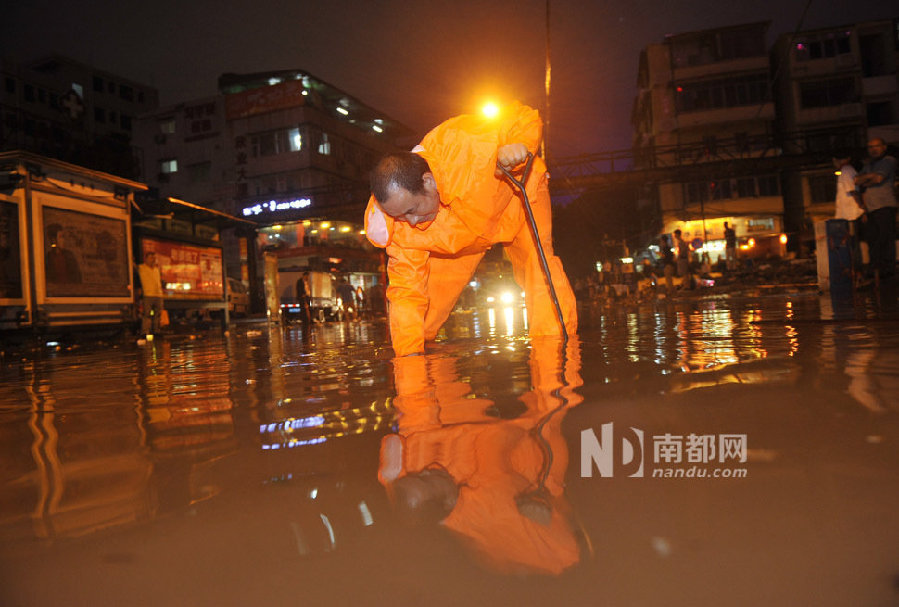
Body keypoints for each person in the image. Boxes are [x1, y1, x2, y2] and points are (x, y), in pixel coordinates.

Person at [364, 101, 577, 356]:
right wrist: (408, 359)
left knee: (539, 271)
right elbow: (406, 294)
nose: (409, 222)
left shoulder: (462, 142)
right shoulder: (402, 226)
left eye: (411, 210)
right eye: (398, 216)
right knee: (420, 330)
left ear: (428, 182)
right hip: (459, 238)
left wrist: (518, 145)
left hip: (516, 201)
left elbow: (523, 116)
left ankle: (556, 356)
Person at [855, 138, 897, 282]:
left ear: (884, 147)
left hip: (884, 205)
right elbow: (857, 180)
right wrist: (869, 178)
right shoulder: (869, 165)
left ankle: (888, 270)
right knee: (873, 239)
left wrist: (867, 180)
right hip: (871, 208)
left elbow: (879, 178)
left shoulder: (888, 160)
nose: (873, 149)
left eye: (876, 146)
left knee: (886, 237)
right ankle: (876, 270)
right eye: (870, 147)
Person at [137, 251, 164, 337]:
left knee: (158, 314)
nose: (153, 260)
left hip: (158, 295)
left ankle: (156, 331)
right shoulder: (141, 268)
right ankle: (145, 332)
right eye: (151, 258)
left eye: (154, 258)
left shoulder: (156, 269)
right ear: (146, 259)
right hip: (148, 294)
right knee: (147, 314)